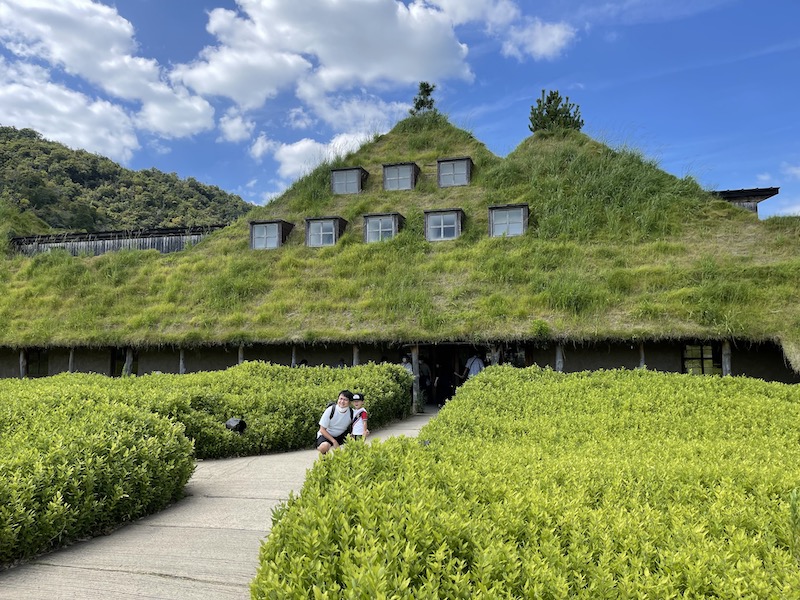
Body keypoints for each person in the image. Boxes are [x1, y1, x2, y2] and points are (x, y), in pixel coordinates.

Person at [315, 390, 354, 455]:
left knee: (355, 440)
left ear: (350, 403)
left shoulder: (351, 412)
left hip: (341, 435)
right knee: (324, 446)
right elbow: (322, 430)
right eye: (340, 399)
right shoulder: (330, 410)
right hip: (327, 435)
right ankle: (324, 458)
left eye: (345, 400)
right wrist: (334, 441)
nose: (342, 401)